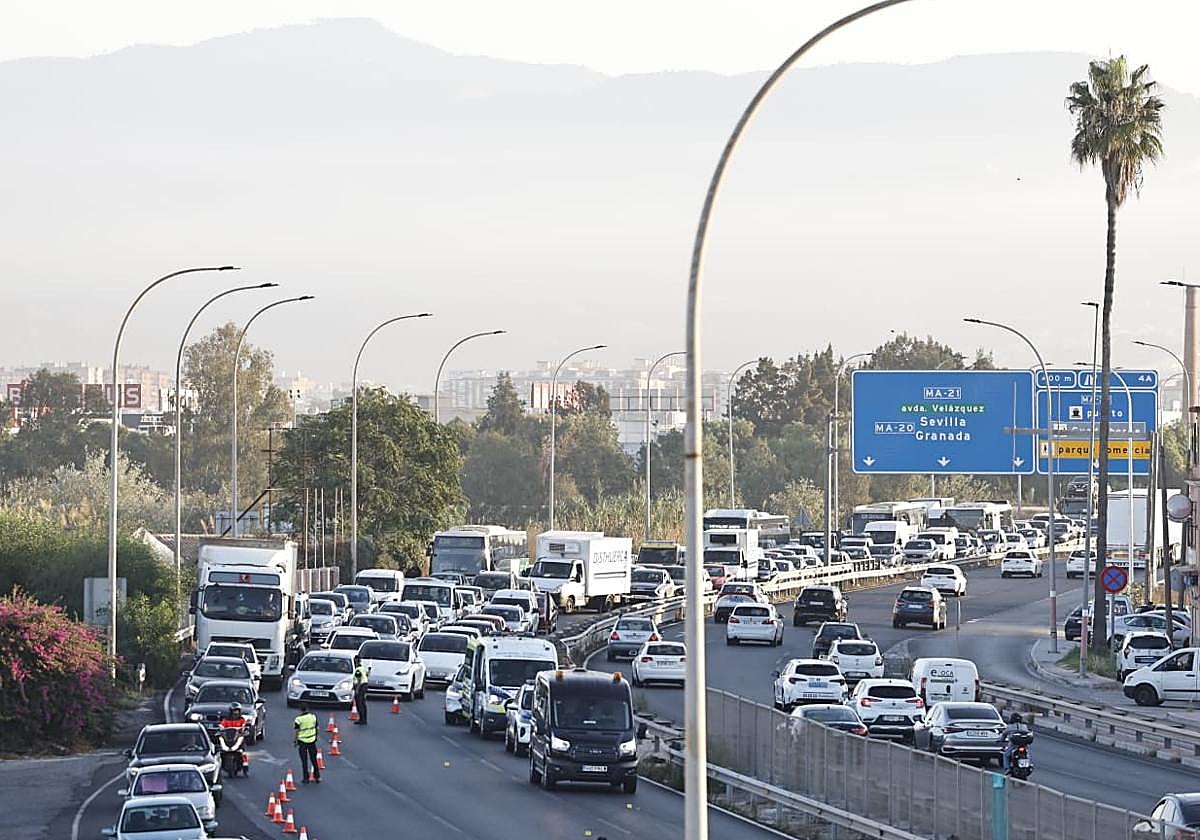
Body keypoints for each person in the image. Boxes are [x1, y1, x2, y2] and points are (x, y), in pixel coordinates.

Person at [293, 702, 320, 783]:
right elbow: (316, 728)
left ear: (300, 710)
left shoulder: (298, 719)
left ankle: (306, 778)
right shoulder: (313, 717)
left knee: (304, 761)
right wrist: (315, 736)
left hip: (302, 742)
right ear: (307, 709)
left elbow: (297, 731)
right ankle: (317, 777)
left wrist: (295, 741)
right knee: (314, 760)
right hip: (312, 740)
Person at [352, 656, 371, 725]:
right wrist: (369, 670)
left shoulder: (358, 670)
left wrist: (357, 690)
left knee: (359, 703)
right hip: (364, 685)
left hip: (361, 686)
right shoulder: (362, 668)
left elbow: (359, 680)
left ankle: (362, 719)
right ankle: (364, 719)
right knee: (363, 703)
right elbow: (367, 675)